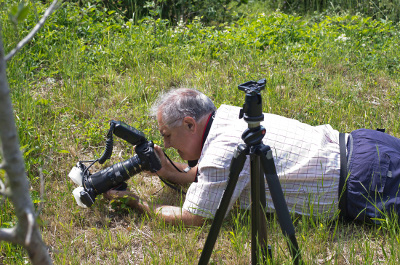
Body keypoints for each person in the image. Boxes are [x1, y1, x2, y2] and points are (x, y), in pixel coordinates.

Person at [105, 88, 400, 226]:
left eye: (167, 135)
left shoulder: (224, 151)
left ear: (190, 124)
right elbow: (216, 174)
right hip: (366, 144)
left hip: (368, 182)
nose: (167, 145)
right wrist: (171, 173)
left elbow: (194, 218)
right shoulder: (231, 115)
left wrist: (135, 203)